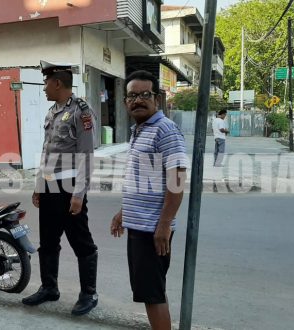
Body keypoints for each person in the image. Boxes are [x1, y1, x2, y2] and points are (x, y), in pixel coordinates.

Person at [110, 70, 188, 330]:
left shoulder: (165, 130)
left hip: (152, 228)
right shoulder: (140, 130)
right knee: (151, 292)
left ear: (157, 98)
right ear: (125, 101)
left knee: (153, 295)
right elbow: (143, 180)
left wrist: (164, 224)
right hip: (140, 225)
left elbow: (176, 182)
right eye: (132, 95)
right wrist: (124, 212)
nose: (137, 100)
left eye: (145, 95)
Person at [21, 61, 98, 316]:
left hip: (69, 187)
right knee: (48, 240)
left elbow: (86, 155)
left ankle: (89, 293)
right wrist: (38, 186)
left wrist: (78, 194)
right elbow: (47, 152)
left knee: (81, 241)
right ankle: (49, 288)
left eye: (45, 83)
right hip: (50, 186)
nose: (43, 88)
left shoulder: (81, 112)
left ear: (57, 83)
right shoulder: (52, 112)